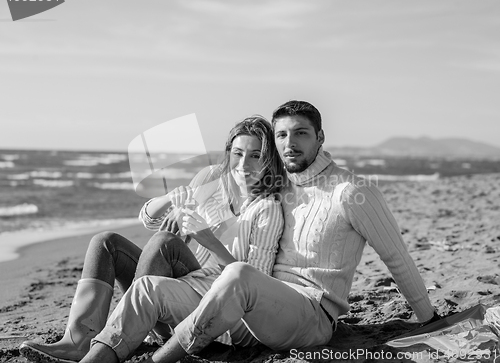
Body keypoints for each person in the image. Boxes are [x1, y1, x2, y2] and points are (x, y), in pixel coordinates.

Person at [78, 100, 440, 363]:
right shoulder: (280, 186)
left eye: (300, 133)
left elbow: (397, 258)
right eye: (281, 134)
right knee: (145, 288)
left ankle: (161, 359)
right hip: (252, 308)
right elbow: (230, 195)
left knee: (238, 273)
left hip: (312, 315)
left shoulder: (352, 192)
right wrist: (182, 203)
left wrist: (430, 320)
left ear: (320, 137)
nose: (289, 143)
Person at [20, 115, 285, 363]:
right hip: (185, 282)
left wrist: (208, 240)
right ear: (228, 154)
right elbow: (148, 219)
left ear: (268, 160)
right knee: (106, 242)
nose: (243, 165)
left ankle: (123, 334)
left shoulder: (267, 208)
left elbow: (255, 282)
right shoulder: (213, 183)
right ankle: (79, 339)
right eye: (238, 154)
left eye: (255, 156)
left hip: (211, 298)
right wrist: (174, 200)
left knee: (164, 243)